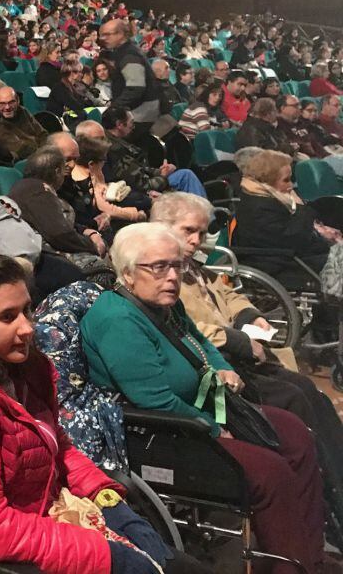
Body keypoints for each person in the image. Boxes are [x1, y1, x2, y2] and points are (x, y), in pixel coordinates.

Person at [0, 252, 209, 574]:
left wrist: (101, 494)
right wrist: (101, 555)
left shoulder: (16, 368)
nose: (27, 328)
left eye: (26, 310)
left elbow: (57, 445)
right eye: (7, 317)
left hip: (42, 512)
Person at [80, 223, 326, 573]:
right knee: (270, 473)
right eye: (158, 267)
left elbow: (203, 343)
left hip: (204, 409)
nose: (172, 276)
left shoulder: (164, 303)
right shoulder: (117, 318)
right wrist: (211, 429)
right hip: (163, 434)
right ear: (128, 273)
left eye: (176, 265)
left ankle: (308, 555)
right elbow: (154, 401)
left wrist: (223, 367)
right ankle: (289, 566)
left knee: (294, 432)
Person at [152, 192, 343, 473]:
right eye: (188, 231)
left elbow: (227, 293)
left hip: (234, 353)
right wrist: (238, 340)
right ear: (162, 228)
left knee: (310, 393)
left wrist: (249, 315)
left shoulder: (193, 266)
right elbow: (180, 328)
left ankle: (332, 472)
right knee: (295, 395)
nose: (196, 240)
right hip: (212, 366)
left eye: (201, 233)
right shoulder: (159, 274)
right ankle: (319, 475)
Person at [233, 149, 334, 289]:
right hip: (281, 265)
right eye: (286, 180)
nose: (291, 185)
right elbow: (295, 238)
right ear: (268, 181)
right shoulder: (258, 207)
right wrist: (300, 207)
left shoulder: (266, 199)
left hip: (293, 258)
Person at [99, 106, 206, 197]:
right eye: (131, 123)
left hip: (145, 182)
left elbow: (138, 168)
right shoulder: (116, 150)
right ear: (119, 125)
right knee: (186, 176)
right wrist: (163, 175)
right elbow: (142, 185)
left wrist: (159, 171)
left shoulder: (114, 141)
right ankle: (207, 218)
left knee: (185, 174)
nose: (133, 127)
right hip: (140, 192)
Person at [98, 19, 160, 136]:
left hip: (139, 115)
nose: (103, 38)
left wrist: (114, 107)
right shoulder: (123, 51)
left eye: (107, 34)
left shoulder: (129, 55)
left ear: (120, 34)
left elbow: (135, 88)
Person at [0, 85, 48, 161]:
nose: (7, 107)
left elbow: (43, 134)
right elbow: (22, 150)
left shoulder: (22, 111)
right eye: (2, 104)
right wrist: (45, 153)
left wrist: (48, 149)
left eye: (11, 102)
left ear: (18, 101)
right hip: (27, 159)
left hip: (41, 152)